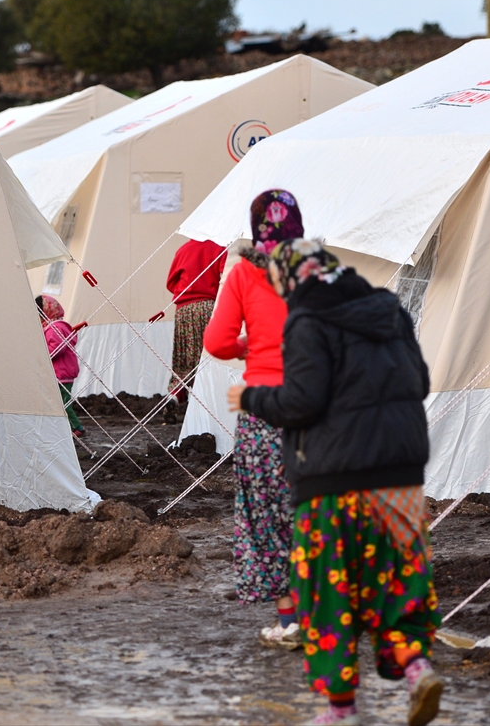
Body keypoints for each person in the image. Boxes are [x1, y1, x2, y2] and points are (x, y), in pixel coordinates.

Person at [227, 239, 442, 726]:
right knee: (398, 581)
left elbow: (302, 402)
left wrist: (252, 399)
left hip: (333, 485)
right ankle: (417, 667)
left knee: (329, 593)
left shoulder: (306, 322)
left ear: (289, 279)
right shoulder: (390, 311)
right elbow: (421, 382)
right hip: (401, 480)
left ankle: (340, 710)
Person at [203, 189, 305, 649]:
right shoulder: (317, 272)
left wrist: (249, 346)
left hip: (264, 407)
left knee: (267, 515)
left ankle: (290, 622)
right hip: (316, 404)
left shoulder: (244, 273)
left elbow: (218, 342)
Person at [163, 239, 226, 423]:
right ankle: (204, 402)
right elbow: (225, 278)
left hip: (184, 309)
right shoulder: (220, 248)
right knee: (207, 357)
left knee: (183, 357)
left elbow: (170, 282)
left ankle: (175, 394)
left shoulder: (183, 249)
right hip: (209, 307)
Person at [37, 294, 85, 438]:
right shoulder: (57, 326)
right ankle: (65, 428)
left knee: (63, 404)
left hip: (61, 373)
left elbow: (57, 348)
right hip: (63, 372)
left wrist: (42, 356)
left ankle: (77, 427)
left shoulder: (54, 328)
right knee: (60, 402)